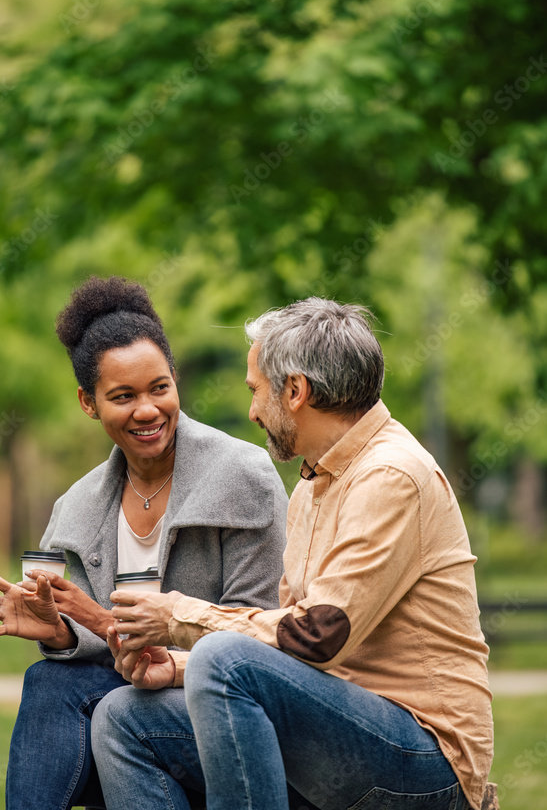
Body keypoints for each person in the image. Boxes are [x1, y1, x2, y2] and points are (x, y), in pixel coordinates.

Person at [93, 297, 494, 810]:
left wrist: (176, 615)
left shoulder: (391, 476)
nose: (253, 410)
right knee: (124, 716)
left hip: (426, 761)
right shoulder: (313, 484)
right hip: (342, 730)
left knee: (223, 658)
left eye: (257, 391)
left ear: (296, 390)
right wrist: (174, 668)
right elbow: (283, 641)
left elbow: (318, 635)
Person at [0, 276, 288, 810]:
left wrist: (103, 621)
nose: (147, 410)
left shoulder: (242, 476)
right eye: (123, 396)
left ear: (176, 381)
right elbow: (87, 639)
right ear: (88, 403)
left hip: (223, 707)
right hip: (128, 691)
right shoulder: (75, 508)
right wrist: (63, 633)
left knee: (102, 707)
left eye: (159, 388)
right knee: (47, 679)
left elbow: (256, 634)